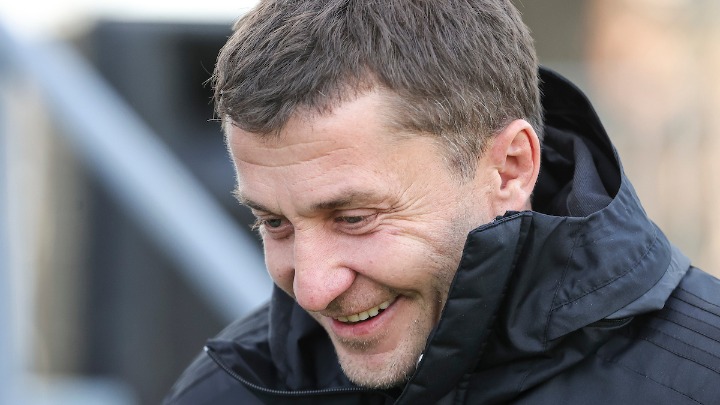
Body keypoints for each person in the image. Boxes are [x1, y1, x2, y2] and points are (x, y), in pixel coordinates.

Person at [164, 1, 720, 403]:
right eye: (273, 223)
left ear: (510, 168)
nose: (312, 288)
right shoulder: (224, 391)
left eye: (354, 218)